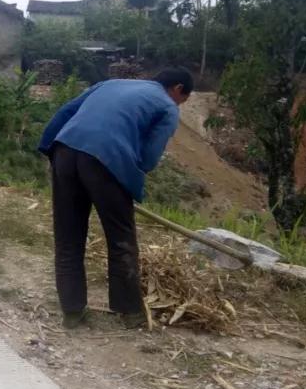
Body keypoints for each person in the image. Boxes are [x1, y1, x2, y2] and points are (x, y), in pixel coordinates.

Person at [38, 68, 193, 329]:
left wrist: (48, 147)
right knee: (121, 239)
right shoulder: (168, 106)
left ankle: (72, 312)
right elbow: (150, 155)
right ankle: (130, 313)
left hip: (65, 151)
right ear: (178, 89)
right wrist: (131, 173)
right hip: (107, 159)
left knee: (68, 238)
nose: (180, 104)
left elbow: (66, 112)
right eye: (183, 100)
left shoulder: (111, 84)